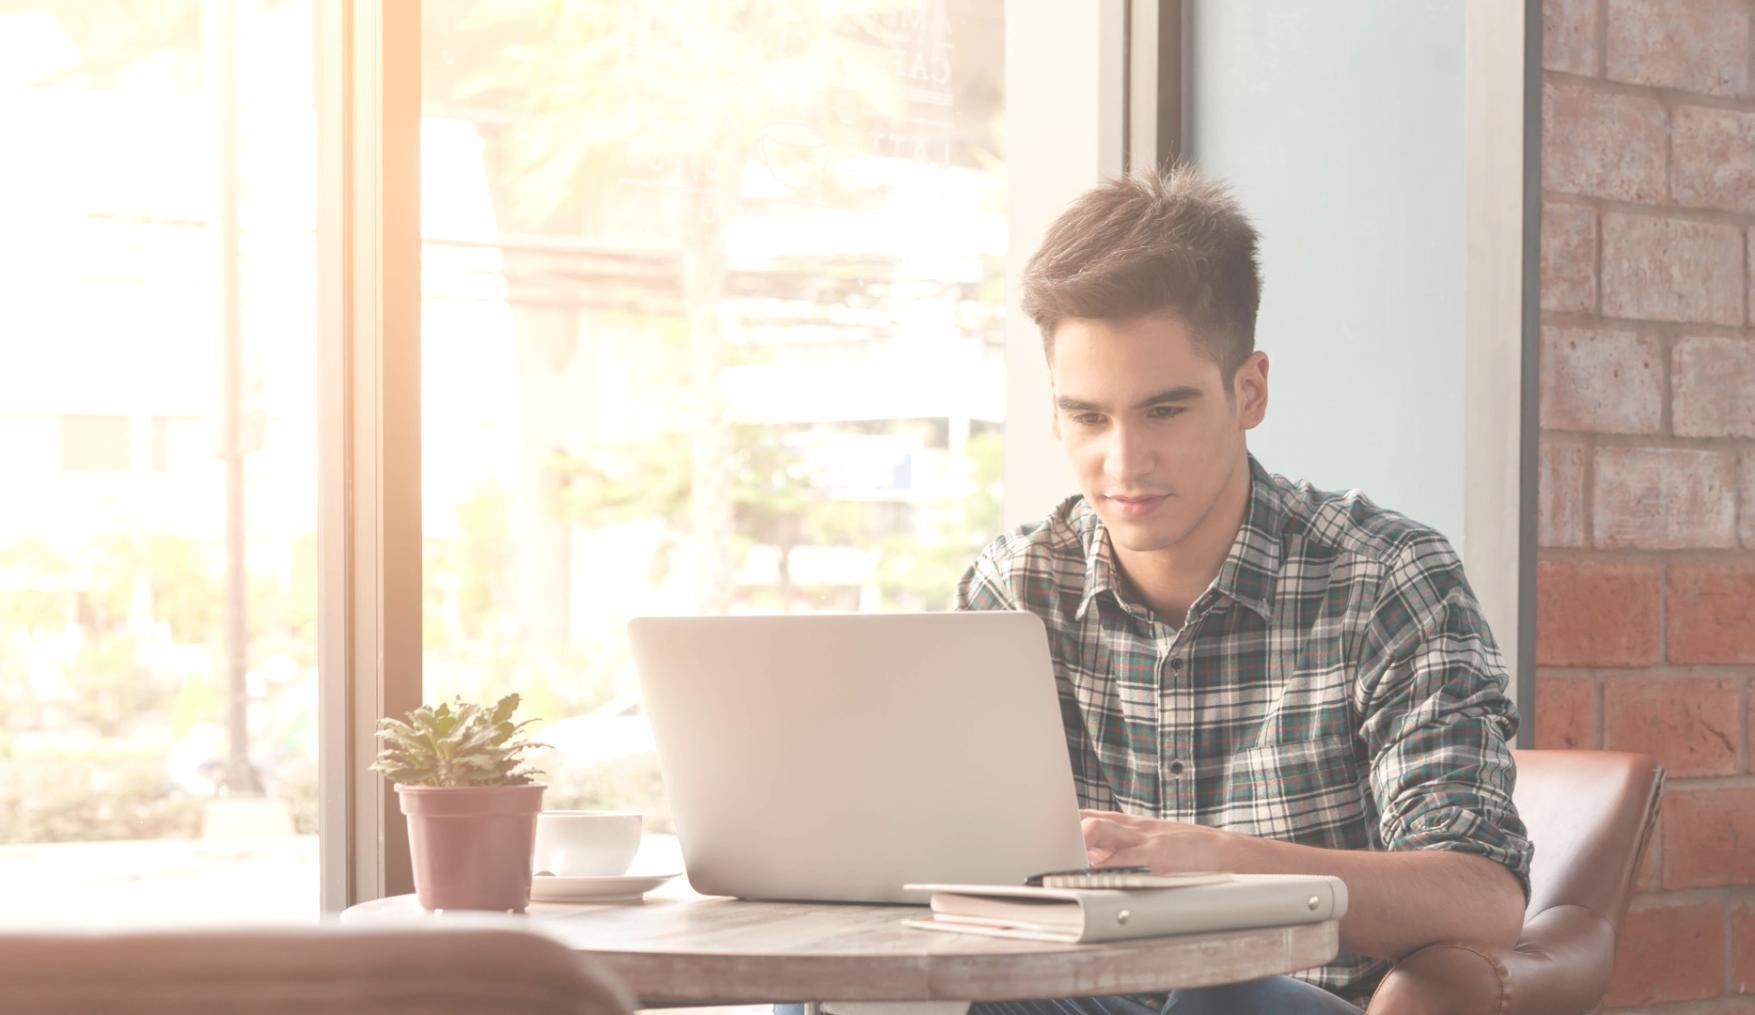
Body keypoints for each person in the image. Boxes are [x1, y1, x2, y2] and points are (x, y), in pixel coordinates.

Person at [951, 166, 1532, 1013]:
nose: (1122, 463)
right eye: (1087, 416)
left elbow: (1479, 894)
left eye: (1164, 411)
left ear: (1247, 390)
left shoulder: (1384, 579)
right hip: (1071, 998)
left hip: (1282, 1002)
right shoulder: (1013, 589)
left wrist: (1210, 864)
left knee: (1216, 999)